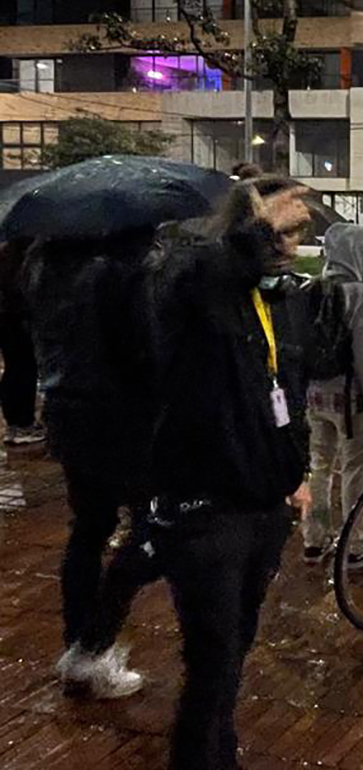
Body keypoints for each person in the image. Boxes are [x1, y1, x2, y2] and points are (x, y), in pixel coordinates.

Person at [146, 176, 315, 770]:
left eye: (297, 233)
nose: (291, 245)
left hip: (264, 505)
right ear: (246, 226)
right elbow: (195, 284)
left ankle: (222, 752)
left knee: (235, 647)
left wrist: (299, 472)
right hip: (204, 507)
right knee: (212, 657)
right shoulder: (194, 283)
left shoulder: (283, 301)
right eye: (283, 231)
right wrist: (254, 228)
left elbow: (289, 395)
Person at [25, 228, 160, 699]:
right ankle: (92, 646)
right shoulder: (121, 270)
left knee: (89, 529)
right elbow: (145, 351)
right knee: (155, 529)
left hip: (67, 411)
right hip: (122, 420)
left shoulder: (42, 266)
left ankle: (80, 643)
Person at [302, 224, 363, 566]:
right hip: (354, 399)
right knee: (355, 471)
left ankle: (314, 540)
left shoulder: (309, 289)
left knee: (319, 466)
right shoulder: (362, 294)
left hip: (314, 396)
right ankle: (356, 545)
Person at [0, 240, 44, 446]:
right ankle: (22, 423)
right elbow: (17, 289)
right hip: (15, 318)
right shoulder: (16, 256)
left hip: (8, 317)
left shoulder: (7, 252)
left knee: (14, 368)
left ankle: (15, 424)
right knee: (23, 368)